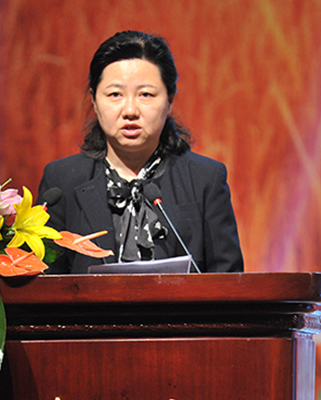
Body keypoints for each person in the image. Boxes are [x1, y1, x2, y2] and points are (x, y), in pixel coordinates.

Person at [38, 30, 243, 274]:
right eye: (115, 94)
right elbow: (44, 279)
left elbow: (229, 281)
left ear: (170, 100)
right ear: (94, 100)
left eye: (146, 94)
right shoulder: (62, 181)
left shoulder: (205, 179)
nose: (130, 110)